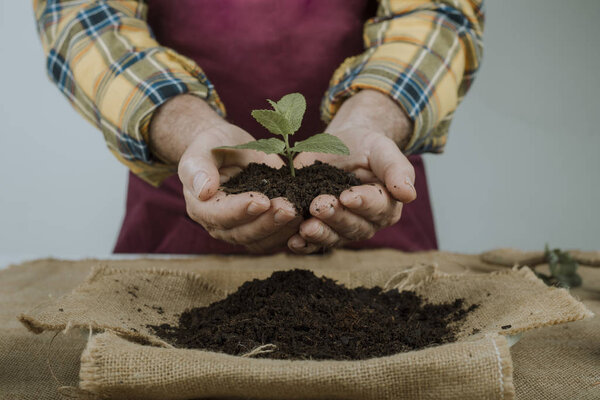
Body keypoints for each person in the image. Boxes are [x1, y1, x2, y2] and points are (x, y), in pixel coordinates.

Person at [33, 0, 484, 254]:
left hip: (367, 188)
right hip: (190, 199)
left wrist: (371, 119)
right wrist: (188, 131)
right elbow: (84, 18)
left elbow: (438, 13)